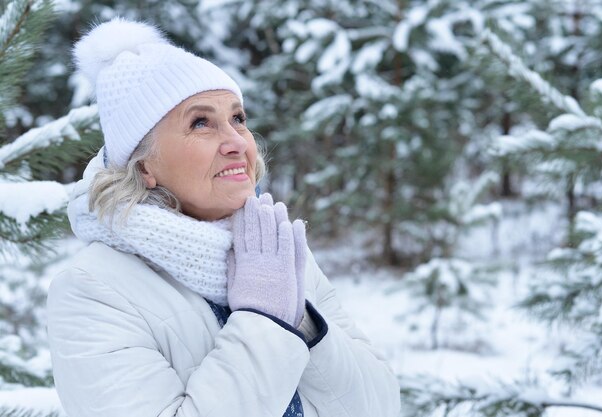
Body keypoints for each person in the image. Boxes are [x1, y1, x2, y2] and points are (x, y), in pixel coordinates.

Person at [46, 17, 401, 417]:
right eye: (201, 123)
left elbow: (379, 406)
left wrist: (299, 319)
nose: (236, 142)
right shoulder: (92, 291)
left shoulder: (272, 252)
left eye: (238, 119)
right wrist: (264, 319)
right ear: (144, 166)